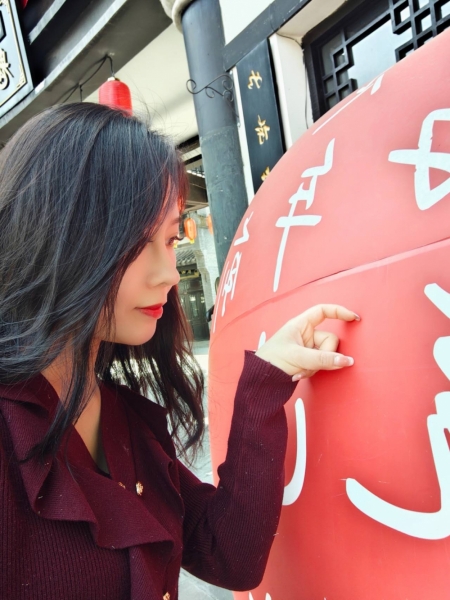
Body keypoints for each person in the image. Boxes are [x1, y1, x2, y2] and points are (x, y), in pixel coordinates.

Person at [0, 103, 358, 600]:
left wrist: (266, 382)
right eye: (135, 241)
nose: (169, 274)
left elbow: (229, 555)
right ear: (53, 236)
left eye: (169, 240)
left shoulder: (125, 419)